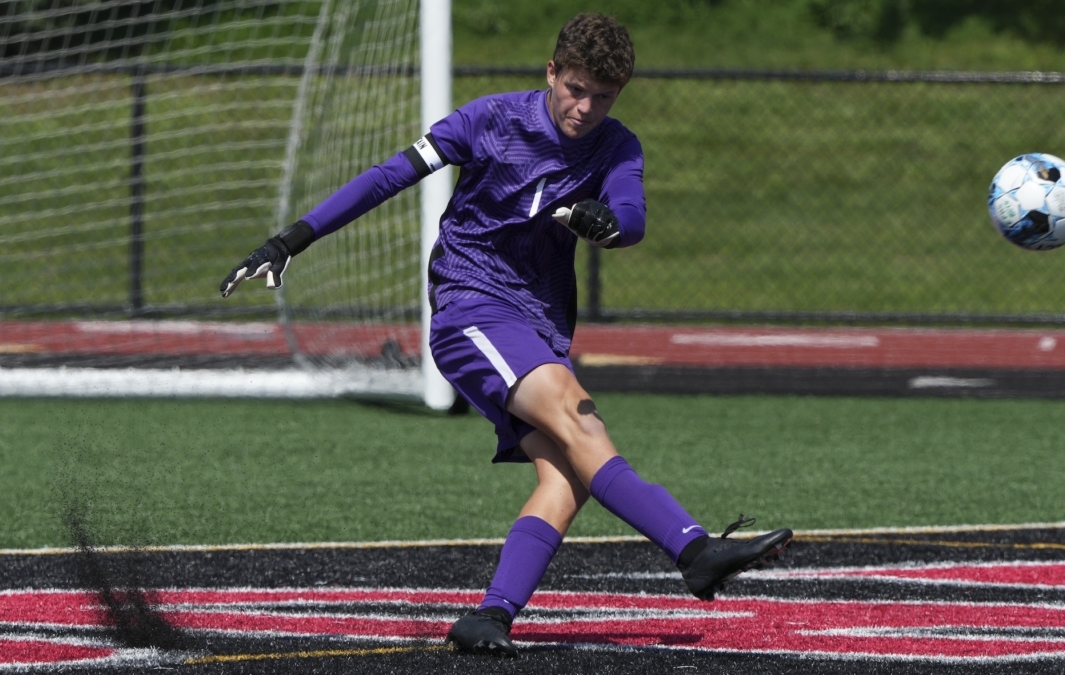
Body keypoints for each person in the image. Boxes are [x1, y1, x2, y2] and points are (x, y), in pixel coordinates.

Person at [220, 12, 793, 658]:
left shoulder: (618, 145)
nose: (585, 107)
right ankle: (693, 548)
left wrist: (608, 223)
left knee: (570, 476)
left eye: (603, 96)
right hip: (472, 306)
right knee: (584, 426)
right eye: (575, 88)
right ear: (551, 72)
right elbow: (389, 175)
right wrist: (292, 238)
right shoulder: (489, 120)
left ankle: (489, 615)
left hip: (535, 324)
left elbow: (631, 216)